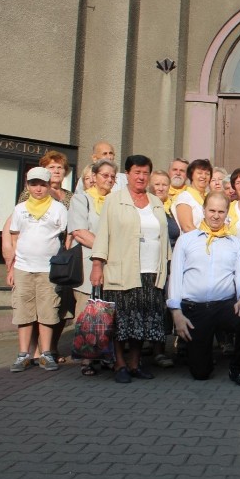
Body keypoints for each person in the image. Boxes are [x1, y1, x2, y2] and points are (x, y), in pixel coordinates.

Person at [90, 155, 171, 383]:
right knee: (122, 321)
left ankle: (135, 364)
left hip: (151, 273)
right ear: (128, 174)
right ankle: (119, 364)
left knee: (142, 320)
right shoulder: (114, 201)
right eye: (137, 172)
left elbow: (162, 237)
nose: (141, 177)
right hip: (123, 271)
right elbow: (103, 235)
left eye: (145, 173)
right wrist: (97, 265)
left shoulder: (155, 202)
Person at [167, 192, 240, 385]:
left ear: (227, 214)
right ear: (204, 211)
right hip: (195, 308)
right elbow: (175, 277)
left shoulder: (235, 244)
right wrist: (176, 314)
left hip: (224, 305)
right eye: (212, 210)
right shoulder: (187, 240)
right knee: (201, 373)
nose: (216, 216)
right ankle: (201, 355)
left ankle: (238, 369)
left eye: (221, 211)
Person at [7, 167, 68, 373]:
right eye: (34, 184)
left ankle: (46, 353)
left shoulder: (58, 208)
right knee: (23, 311)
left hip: (48, 269)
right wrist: (12, 268)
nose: (38, 188)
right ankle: (23, 354)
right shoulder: (20, 209)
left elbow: (66, 236)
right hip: (23, 267)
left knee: (47, 311)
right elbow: (14, 236)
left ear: (49, 185)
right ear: (27, 185)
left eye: (42, 184)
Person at [68, 159, 118, 375]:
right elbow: (79, 231)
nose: (108, 179)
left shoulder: (116, 201)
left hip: (113, 265)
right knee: (86, 312)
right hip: (89, 264)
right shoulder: (82, 199)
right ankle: (87, 359)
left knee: (109, 312)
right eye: (104, 175)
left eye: (112, 177)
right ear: (95, 176)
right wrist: (105, 248)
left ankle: (106, 354)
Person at [148, 169, 180, 369]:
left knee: (166, 306)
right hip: (152, 263)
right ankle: (156, 351)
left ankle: (163, 348)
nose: (160, 187)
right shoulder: (147, 207)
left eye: (164, 184)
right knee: (154, 307)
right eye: (157, 184)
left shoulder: (171, 208)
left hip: (171, 264)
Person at [172, 158, 212, 233]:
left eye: (207, 174)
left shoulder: (210, 198)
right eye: (199, 173)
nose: (203, 176)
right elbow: (187, 227)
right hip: (193, 241)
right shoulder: (184, 197)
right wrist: (206, 238)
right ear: (191, 175)